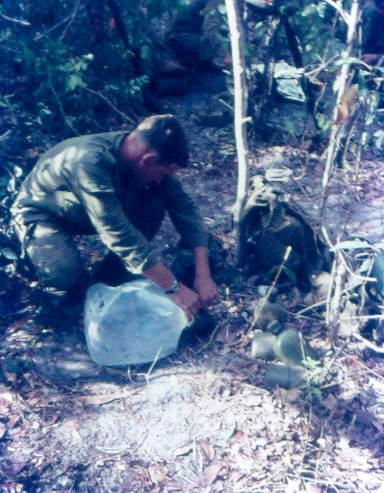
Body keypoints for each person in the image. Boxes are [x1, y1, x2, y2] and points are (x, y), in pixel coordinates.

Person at [11, 115, 218, 322]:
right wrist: (174, 288)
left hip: (85, 212)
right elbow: (119, 235)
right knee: (64, 273)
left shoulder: (145, 158)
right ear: (148, 160)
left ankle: (108, 281)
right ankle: (60, 303)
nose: (162, 179)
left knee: (153, 205)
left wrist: (203, 275)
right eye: (163, 173)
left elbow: (186, 211)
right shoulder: (88, 163)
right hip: (41, 213)